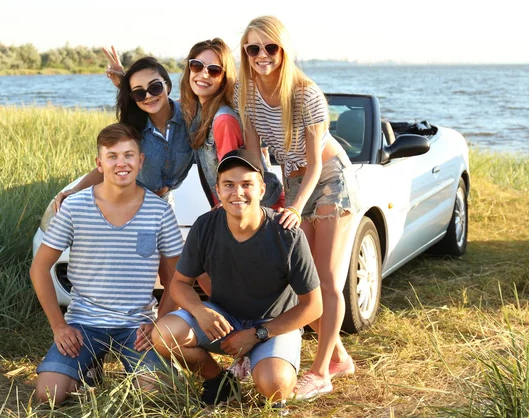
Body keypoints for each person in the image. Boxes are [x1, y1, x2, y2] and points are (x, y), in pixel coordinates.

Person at [237, 16, 360, 400]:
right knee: (299, 279)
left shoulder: (307, 95)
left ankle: (322, 372)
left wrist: (295, 205)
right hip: (293, 182)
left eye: (270, 47)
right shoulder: (247, 93)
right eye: (253, 48)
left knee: (325, 278)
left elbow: (317, 163)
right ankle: (339, 356)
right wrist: (254, 197)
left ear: (284, 50)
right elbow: (256, 156)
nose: (261, 55)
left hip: (328, 182)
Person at [152, 149, 322, 411]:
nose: (237, 192)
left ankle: (264, 364)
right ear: (218, 190)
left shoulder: (287, 233)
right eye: (229, 185)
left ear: (262, 189)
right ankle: (220, 382)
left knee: (274, 384)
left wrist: (257, 335)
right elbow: (179, 284)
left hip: (272, 325)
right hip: (224, 320)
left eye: (246, 184)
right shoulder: (205, 226)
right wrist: (199, 310)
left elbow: (313, 306)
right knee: (164, 334)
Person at [30, 123, 184, 404]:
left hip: (137, 326)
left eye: (128, 155)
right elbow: (39, 267)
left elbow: (175, 275)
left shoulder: (159, 211)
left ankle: (107, 369)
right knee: (47, 395)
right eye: (112, 156)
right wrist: (59, 326)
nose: (121, 163)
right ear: (99, 163)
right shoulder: (74, 207)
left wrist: (159, 323)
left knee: (158, 397)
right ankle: (87, 368)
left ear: (141, 161)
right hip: (83, 323)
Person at [53, 55, 193, 316]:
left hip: (160, 203)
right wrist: (74, 191)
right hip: (131, 203)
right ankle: (120, 319)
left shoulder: (190, 117)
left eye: (155, 87)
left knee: (171, 268)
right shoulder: (133, 128)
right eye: (139, 94)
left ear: (167, 84)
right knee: (143, 265)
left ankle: (162, 326)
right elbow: (111, 166)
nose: (149, 96)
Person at [179, 38, 283, 209]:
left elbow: (235, 181)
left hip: (257, 211)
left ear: (225, 77)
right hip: (237, 207)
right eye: (197, 66)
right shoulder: (198, 112)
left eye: (214, 70)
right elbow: (159, 106)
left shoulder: (224, 120)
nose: (203, 74)